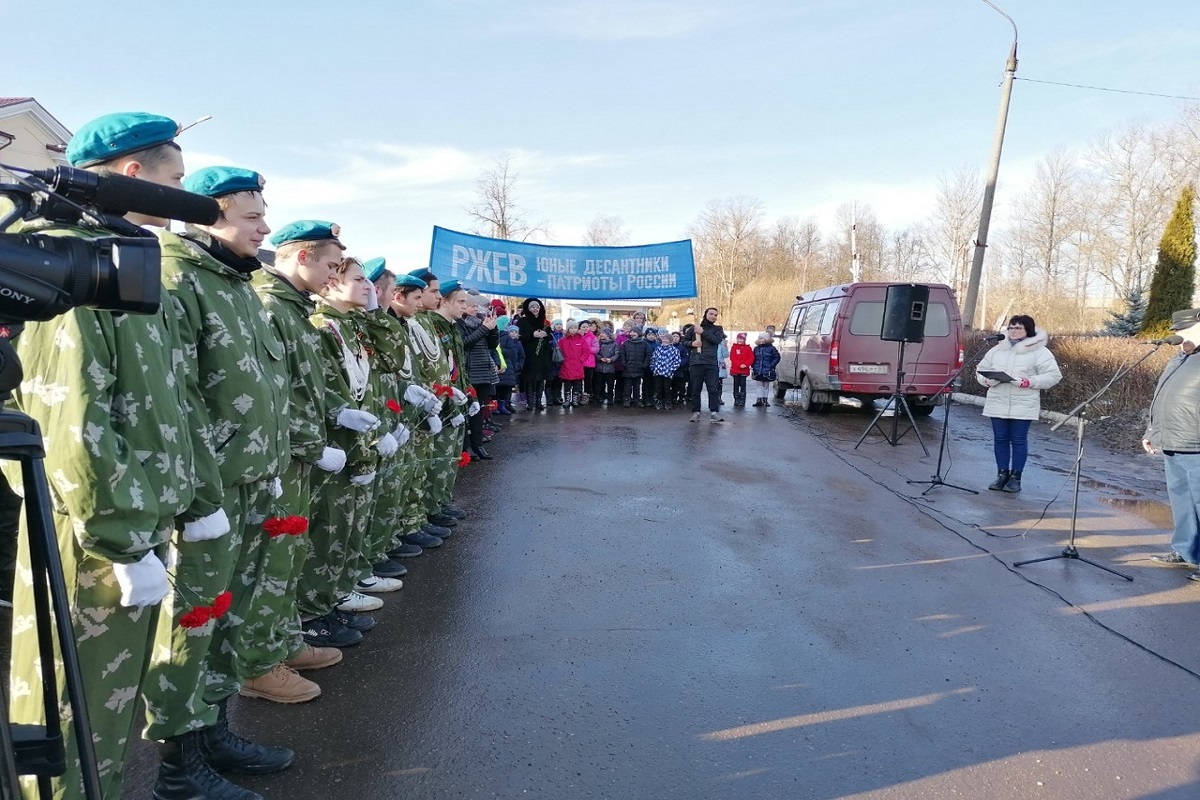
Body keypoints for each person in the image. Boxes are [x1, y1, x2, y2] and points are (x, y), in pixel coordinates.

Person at [4, 111, 214, 800]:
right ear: (132, 176)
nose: (179, 197)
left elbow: (159, 406)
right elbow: (70, 425)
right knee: (75, 711)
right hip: (91, 534)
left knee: (106, 712)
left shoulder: (114, 262)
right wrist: (121, 544)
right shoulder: (68, 269)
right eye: (173, 181)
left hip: (131, 523)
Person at [147, 160, 295, 798]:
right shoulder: (176, 277)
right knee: (192, 621)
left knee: (225, 618)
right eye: (252, 215)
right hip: (208, 492)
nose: (265, 228)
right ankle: (179, 767)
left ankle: (211, 731)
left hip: (251, 480)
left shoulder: (234, 283)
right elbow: (172, 400)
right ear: (208, 214)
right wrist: (198, 495)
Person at [974, 314, 1062, 493]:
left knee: (1019, 440)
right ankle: (1002, 475)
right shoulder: (997, 349)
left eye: (1018, 328)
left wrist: (1029, 382)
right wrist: (988, 380)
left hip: (1023, 402)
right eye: (1011, 327)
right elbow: (981, 370)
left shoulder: (1039, 351)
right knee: (1000, 439)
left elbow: (1053, 375)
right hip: (998, 400)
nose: (1013, 331)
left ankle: (1016, 478)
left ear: (1028, 330)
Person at [1145, 308, 1200, 576]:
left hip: (1196, 442)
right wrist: (1151, 431)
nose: (1177, 336)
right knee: (1181, 500)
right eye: (1176, 331)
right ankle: (1185, 550)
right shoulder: (1179, 359)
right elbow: (1161, 396)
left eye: (1182, 330)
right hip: (1172, 440)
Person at [458, 291, 500, 458]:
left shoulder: (481, 322)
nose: (476, 309)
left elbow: (492, 344)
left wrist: (493, 328)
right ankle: (466, 446)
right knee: (468, 411)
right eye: (472, 305)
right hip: (470, 371)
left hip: (484, 371)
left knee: (479, 410)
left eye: (477, 305)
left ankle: (478, 445)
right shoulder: (459, 324)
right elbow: (465, 343)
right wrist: (484, 329)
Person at [685, 307, 728, 423]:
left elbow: (716, 340)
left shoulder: (718, 329)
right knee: (695, 389)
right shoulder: (694, 328)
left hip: (711, 363)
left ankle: (714, 413)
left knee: (713, 389)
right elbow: (684, 342)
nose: (713, 316)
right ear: (705, 314)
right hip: (696, 362)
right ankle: (696, 412)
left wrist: (702, 332)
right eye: (711, 314)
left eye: (715, 315)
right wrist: (692, 343)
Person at [517, 298, 555, 410]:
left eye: (537, 307)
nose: (535, 309)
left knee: (541, 378)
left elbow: (550, 336)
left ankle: (538, 401)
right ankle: (530, 402)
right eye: (533, 307)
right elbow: (520, 335)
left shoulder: (544, 321)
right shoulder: (523, 321)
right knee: (530, 379)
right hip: (529, 353)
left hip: (543, 353)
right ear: (528, 309)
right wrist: (532, 334)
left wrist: (545, 334)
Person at [557, 321, 589, 407]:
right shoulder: (562, 340)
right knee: (567, 385)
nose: (573, 330)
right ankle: (567, 400)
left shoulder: (581, 340)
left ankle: (575, 400)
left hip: (577, 367)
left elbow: (586, 352)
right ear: (568, 329)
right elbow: (559, 352)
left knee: (577, 385)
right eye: (571, 328)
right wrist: (562, 360)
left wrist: (580, 360)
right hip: (566, 366)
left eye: (575, 328)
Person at [618, 327, 651, 408]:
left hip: (639, 368)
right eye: (631, 332)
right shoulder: (625, 343)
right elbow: (622, 355)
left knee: (637, 385)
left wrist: (644, 365)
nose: (632, 334)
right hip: (628, 368)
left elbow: (648, 355)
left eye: (634, 332)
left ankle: (637, 400)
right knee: (627, 385)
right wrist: (625, 364)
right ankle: (627, 399)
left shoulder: (645, 344)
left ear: (639, 333)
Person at [497, 324, 525, 413]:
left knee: (509, 388)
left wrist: (519, 366)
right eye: (511, 331)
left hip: (514, 369)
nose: (513, 334)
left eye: (515, 332)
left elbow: (522, 356)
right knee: (502, 387)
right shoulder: (503, 340)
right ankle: (501, 405)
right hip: (506, 368)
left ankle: (507, 403)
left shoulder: (518, 344)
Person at [650, 332, 682, 409]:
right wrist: (653, 368)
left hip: (668, 373)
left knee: (667, 388)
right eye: (663, 338)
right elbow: (653, 359)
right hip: (657, 372)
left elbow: (677, 361)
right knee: (658, 387)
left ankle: (667, 401)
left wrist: (671, 369)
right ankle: (659, 401)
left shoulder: (674, 350)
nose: (664, 340)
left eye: (666, 339)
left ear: (670, 340)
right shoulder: (658, 349)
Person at [751, 334, 782, 408]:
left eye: (762, 338)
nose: (760, 340)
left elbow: (777, 357)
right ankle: (759, 399)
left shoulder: (772, 348)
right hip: (758, 369)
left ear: (766, 339)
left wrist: (771, 365)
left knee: (765, 385)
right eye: (759, 338)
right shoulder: (756, 348)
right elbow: (753, 357)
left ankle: (765, 399)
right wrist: (753, 365)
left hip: (767, 369)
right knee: (759, 385)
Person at [729, 332, 754, 408]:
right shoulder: (734, 347)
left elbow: (751, 358)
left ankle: (742, 399)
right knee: (736, 384)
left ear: (744, 340)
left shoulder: (748, 348)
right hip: (736, 369)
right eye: (738, 339)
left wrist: (745, 365)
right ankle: (736, 398)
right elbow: (732, 357)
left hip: (744, 370)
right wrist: (739, 365)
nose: (739, 340)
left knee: (743, 384)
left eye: (741, 339)